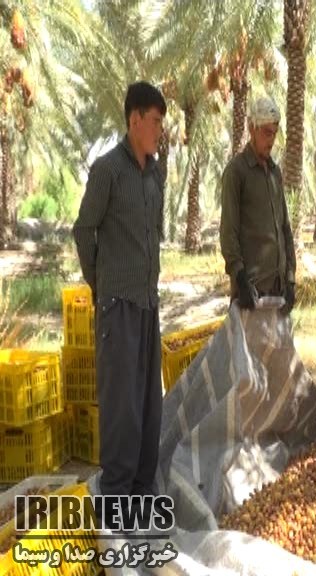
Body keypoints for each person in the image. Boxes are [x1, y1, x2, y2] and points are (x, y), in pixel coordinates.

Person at [73, 81, 167, 502]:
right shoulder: (108, 170)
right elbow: (83, 229)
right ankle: (115, 500)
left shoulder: (156, 174)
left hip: (148, 302)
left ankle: (142, 493)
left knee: (149, 404)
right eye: (155, 121)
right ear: (134, 120)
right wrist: (100, 285)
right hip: (118, 305)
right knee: (122, 409)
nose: (160, 130)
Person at [220, 96, 296, 314]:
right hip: (251, 291)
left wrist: (290, 279)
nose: (271, 140)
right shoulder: (236, 172)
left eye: (274, 132)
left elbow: (285, 229)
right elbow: (228, 232)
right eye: (266, 132)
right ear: (251, 128)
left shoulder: (275, 173)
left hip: (278, 289)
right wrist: (240, 277)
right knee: (247, 349)